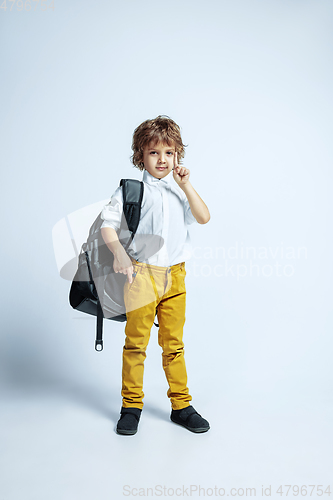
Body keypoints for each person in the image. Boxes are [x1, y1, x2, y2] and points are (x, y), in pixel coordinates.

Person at [100, 115, 211, 435]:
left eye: (169, 153)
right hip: (142, 276)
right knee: (136, 344)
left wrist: (186, 184)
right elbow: (108, 225)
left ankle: (181, 405)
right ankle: (131, 405)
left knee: (173, 344)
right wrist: (120, 254)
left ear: (178, 156)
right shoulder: (131, 190)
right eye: (153, 153)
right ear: (141, 155)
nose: (162, 159)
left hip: (176, 277)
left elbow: (203, 217)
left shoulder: (180, 191)